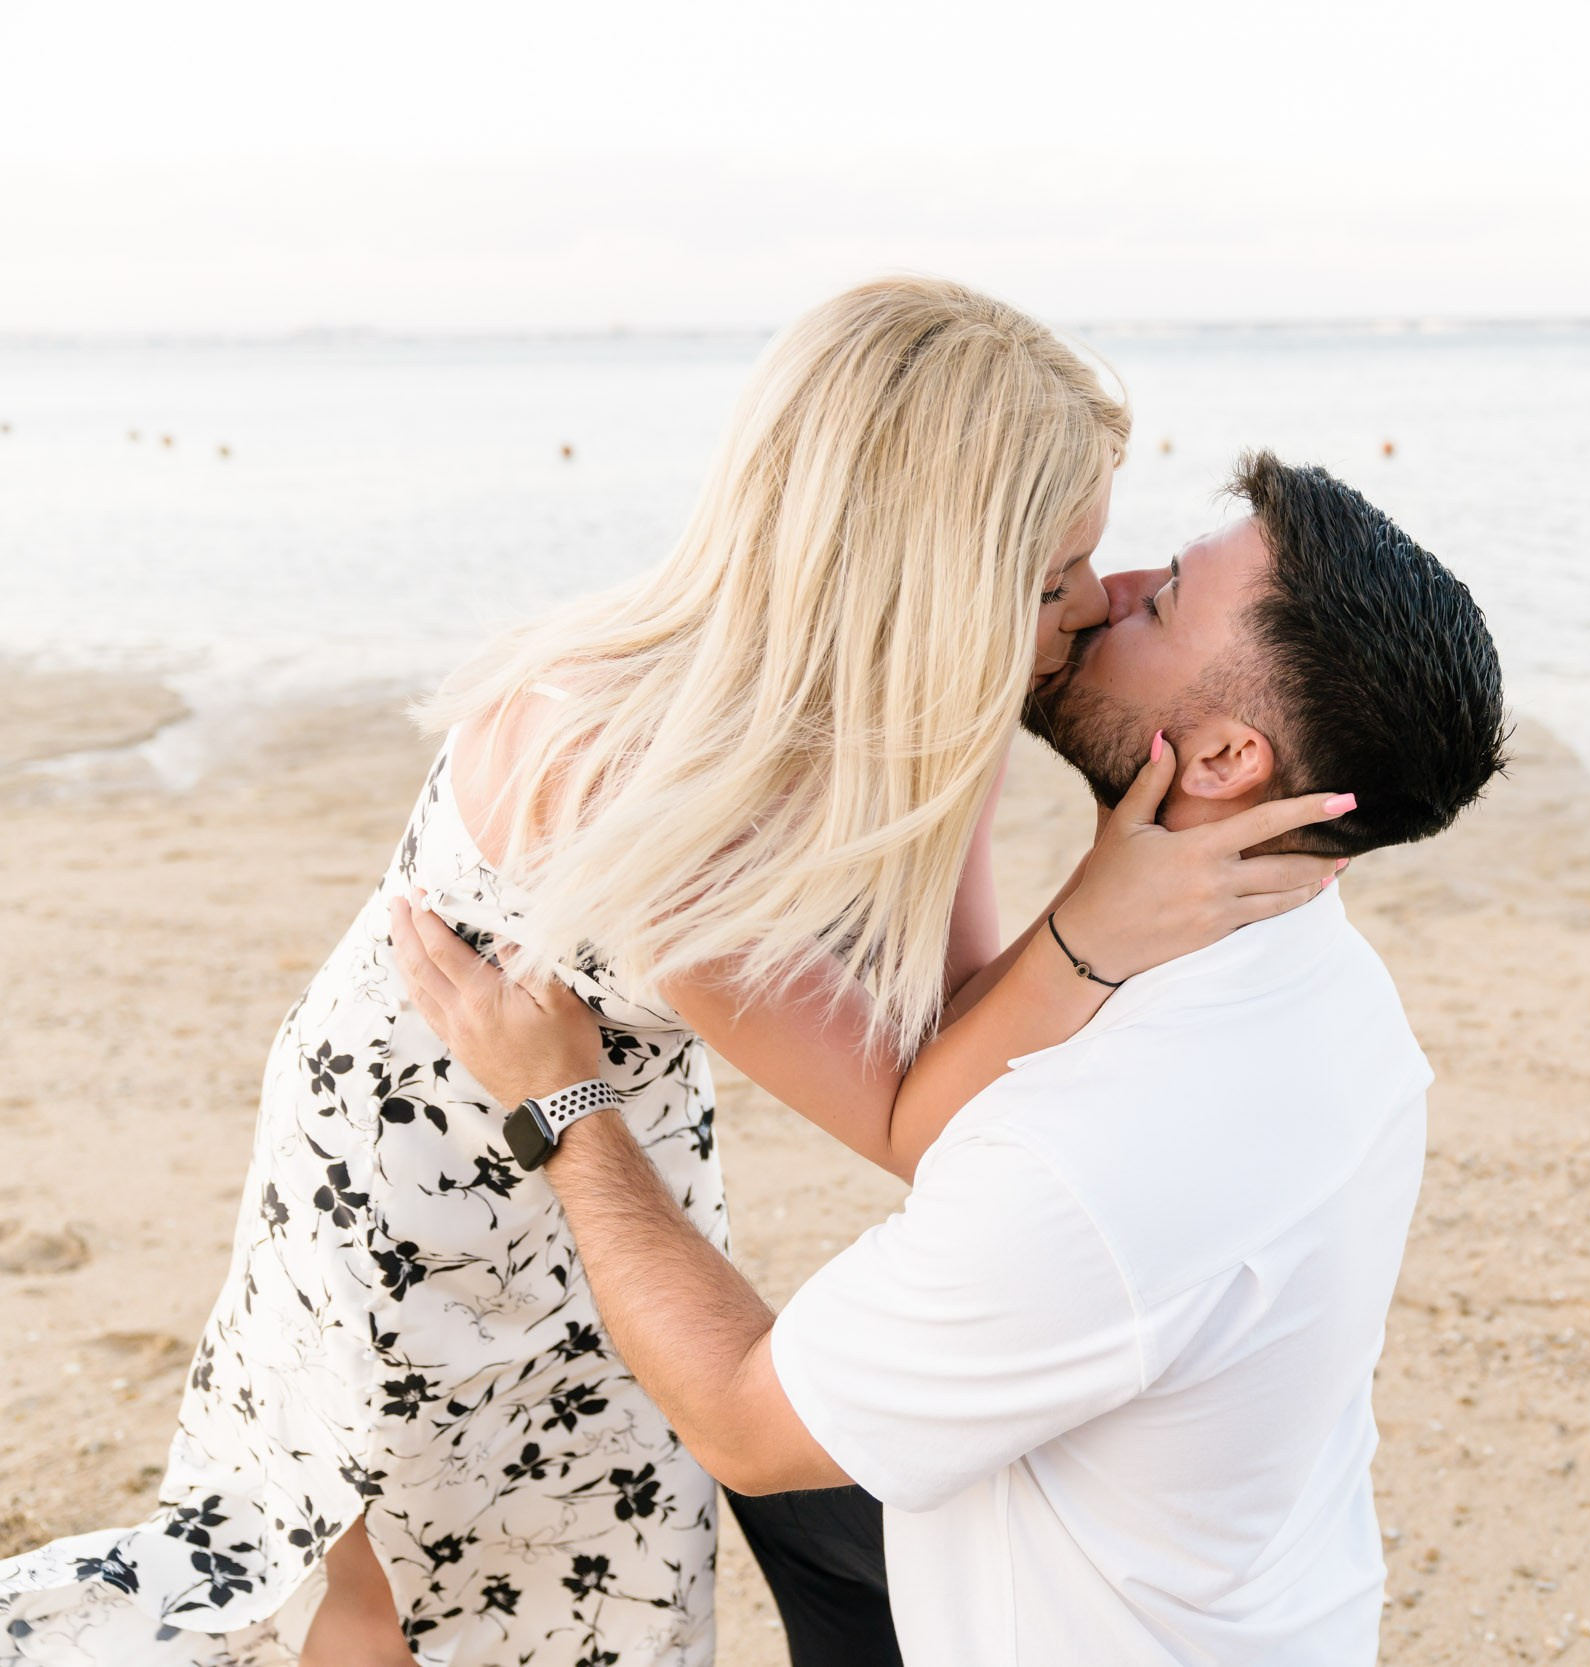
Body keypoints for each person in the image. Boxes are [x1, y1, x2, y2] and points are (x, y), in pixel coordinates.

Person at [0, 284, 1350, 1667]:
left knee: (598, 1567)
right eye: (1047, 576)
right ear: (920, 568)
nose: (1085, 605)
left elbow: (949, 1029)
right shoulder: (622, 771)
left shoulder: (882, 701)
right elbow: (916, 1117)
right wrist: (1102, 918)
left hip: (604, 1134)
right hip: (433, 1171)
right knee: (393, 1580)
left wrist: (993, 749)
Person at [390, 452, 1508, 1666]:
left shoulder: (1094, 1157)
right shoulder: (1324, 981)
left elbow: (745, 1424)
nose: (1100, 592)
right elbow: (977, 1034)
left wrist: (567, 1103)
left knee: (775, 1442)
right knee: (815, 1502)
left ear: (1230, 761)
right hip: (1258, 1600)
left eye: (1158, 598)